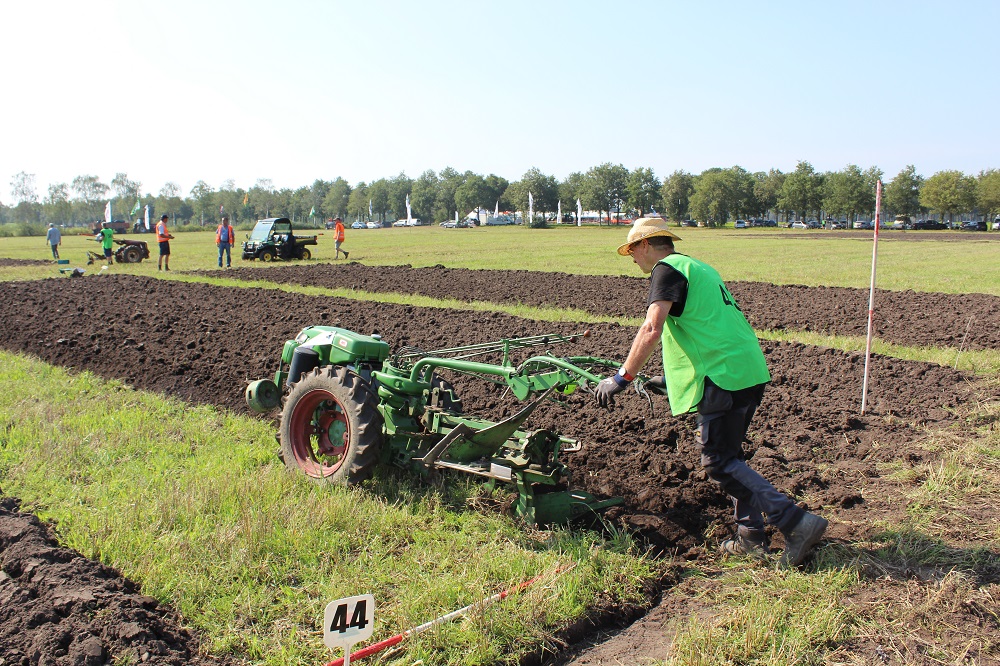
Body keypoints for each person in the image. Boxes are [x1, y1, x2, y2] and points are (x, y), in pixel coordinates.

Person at [594, 217, 828, 568]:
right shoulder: (698, 267)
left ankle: (796, 522)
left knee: (717, 461)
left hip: (723, 377)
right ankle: (750, 538)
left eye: (631, 249)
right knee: (731, 457)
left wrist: (622, 377)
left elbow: (651, 328)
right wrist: (670, 381)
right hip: (746, 370)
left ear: (645, 244)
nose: (631, 258)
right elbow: (706, 327)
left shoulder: (666, 269)